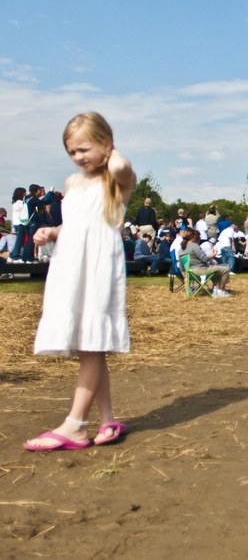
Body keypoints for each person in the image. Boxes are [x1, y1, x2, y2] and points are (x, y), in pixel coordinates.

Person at [23, 111, 136, 451]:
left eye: (84, 149)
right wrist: (51, 231)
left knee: (91, 342)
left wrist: (109, 148)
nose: (77, 158)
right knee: (90, 343)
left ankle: (75, 425)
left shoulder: (117, 177)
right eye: (71, 152)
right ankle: (107, 418)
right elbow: (72, 223)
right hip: (70, 262)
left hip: (98, 263)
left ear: (106, 143)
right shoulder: (73, 183)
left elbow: (117, 166)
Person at [180, 228, 232, 296]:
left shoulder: (181, 250)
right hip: (200, 271)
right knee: (225, 269)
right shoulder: (194, 246)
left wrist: (186, 277)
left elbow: (181, 267)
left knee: (216, 270)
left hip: (190, 273)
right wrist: (213, 254)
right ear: (193, 236)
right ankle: (220, 290)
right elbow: (204, 259)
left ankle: (216, 289)